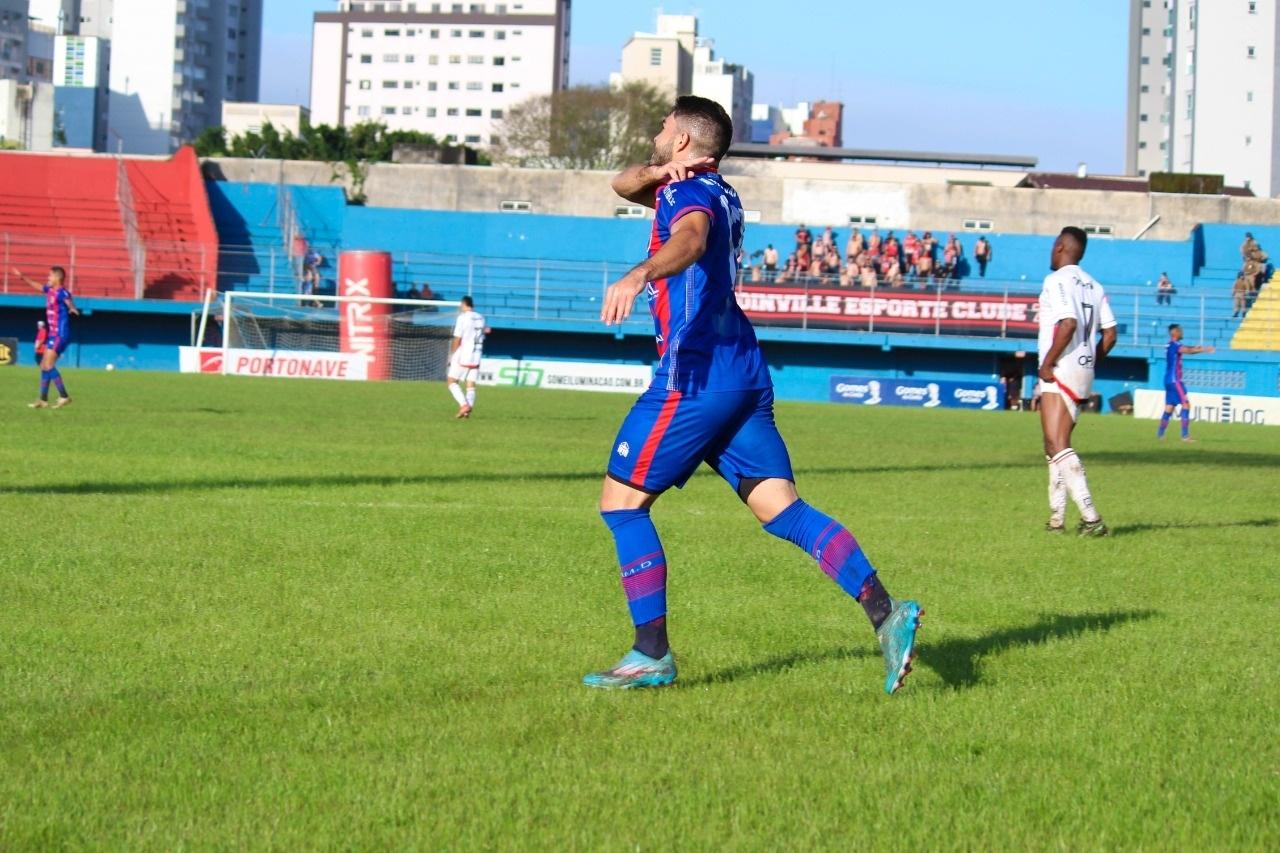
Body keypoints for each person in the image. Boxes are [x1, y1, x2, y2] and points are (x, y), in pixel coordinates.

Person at [589, 95, 922, 694]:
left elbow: (689, 241)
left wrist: (641, 273)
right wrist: (658, 172)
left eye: (664, 128)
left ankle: (651, 653)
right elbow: (621, 184)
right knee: (782, 509)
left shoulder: (688, 200)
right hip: (743, 371)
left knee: (621, 505)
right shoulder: (712, 188)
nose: (658, 133)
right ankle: (886, 613)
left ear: (685, 139)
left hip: (694, 376)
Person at [1036, 227, 1117, 536]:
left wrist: (1047, 363)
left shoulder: (1056, 280)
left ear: (1060, 246)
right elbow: (1110, 334)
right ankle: (1056, 520)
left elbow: (1068, 323)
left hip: (1060, 368)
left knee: (1057, 444)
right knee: (1053, 445)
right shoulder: (1095, 286)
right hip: (1083, 369)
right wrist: (1090, 359)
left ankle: (1092, 518)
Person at [14, 266, 78, 408]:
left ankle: (64, 396)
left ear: (57, 278)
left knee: (48, 365)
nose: (47, 278)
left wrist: (72, 307)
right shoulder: (49, 290)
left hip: (60, 334)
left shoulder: (62, 292)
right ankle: (43, 399)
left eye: (49, 276)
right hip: (53, 334)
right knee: (44, 365)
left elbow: (68, 300)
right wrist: (23, 277)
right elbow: (37, 285)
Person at [1158, 324, 1214, 442]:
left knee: (1169, 407)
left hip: (1168, 380)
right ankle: (1185, 436)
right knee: (1186, 405)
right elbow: (1187, 350)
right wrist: (1203, 349)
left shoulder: (1169, 345)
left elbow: (1185, 348)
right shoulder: (1175, 345)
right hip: (1175, 380)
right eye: (1181, 331)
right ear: (1176, 333)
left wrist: (1196, 347)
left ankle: (1160, 434)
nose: (1182, 333)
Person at [446, 296, 487, 419]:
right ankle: (467, 411)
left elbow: (458, 338)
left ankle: (464, 405)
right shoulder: (481, 317)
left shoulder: (462, 318)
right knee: (471, 384)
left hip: (464, 355)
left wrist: (451, 355)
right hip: (477, 355)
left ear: (463, 304)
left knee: (451, 381)